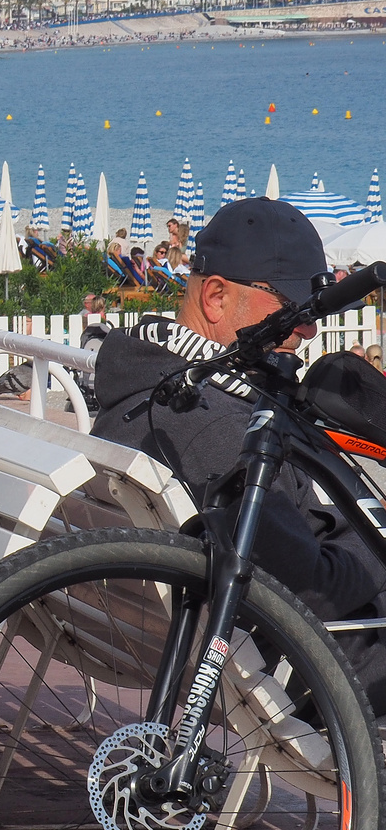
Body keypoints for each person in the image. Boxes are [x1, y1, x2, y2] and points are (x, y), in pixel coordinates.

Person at [92, 197, 386, 708]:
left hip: (186, 652)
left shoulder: (148, 391)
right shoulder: (212, 430)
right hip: (320, 669)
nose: (309, 328)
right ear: (216, 298)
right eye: (291, 306)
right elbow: (314, 589)